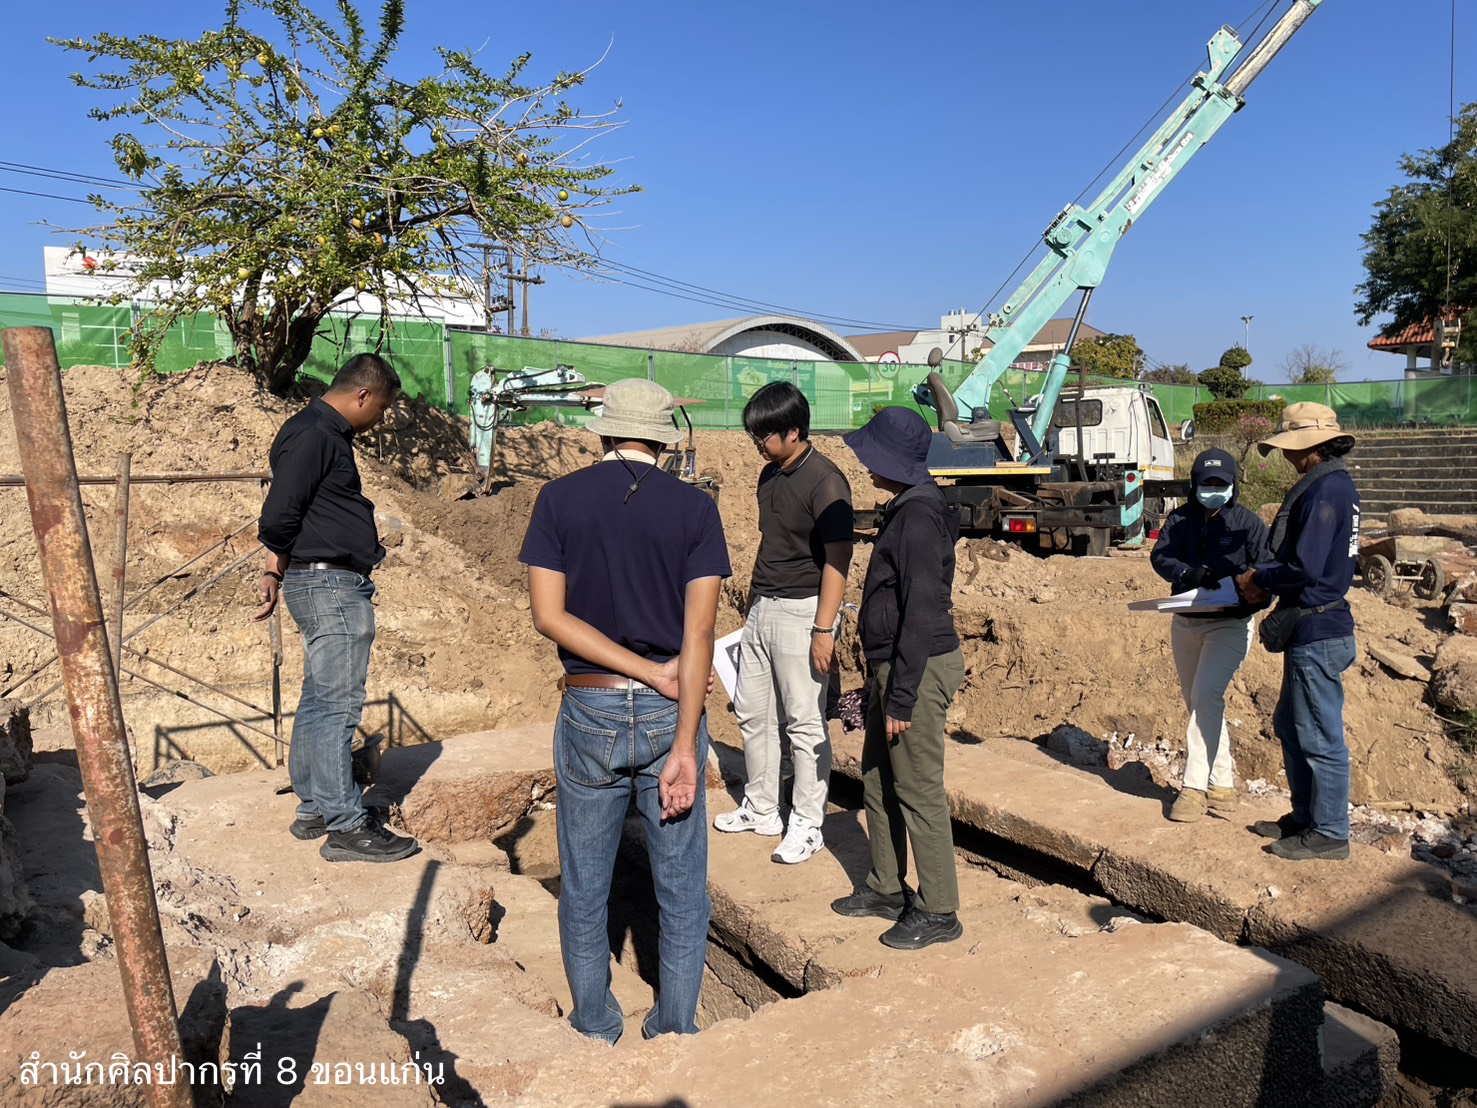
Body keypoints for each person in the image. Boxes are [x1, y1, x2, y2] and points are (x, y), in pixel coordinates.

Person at [519, 378, 729, 1043]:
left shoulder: (558, 500)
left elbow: (548, 616)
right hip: (672, 709)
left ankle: (594, 1021)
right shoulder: (696, 511)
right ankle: (674, 1025)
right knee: (681, 884)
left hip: (590, 706)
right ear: (665, 441)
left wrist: (630, 670)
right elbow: (698, 637)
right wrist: (686, 743)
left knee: (585, 881)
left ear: (605, 431)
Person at [254, 353, 420, 864]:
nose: (382, 418)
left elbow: (299, 509)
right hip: (330, 587)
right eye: (383, 408)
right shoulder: (316, 434)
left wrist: (276, 571)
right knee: (336, 707)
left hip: (318, 582)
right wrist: (279, 561)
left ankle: (315, 808)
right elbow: (280, 514)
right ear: (363, 395)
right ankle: (347, 826)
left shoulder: (314, 432)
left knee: (318, 700)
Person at [831, 407, 965, 950]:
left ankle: (939, 910)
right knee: (878, 779)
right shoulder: (906, 507)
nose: (863, 464)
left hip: (919, 667)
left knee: (916, 787)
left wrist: (902, 698)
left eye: (870, 454)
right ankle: (886, 886)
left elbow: (923, 611)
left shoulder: (917, 517)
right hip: (896, 665)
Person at [714, 382, 853, 866]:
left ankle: (808, 823)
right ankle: (763, 808)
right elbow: (770, 543)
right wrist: (752, 608)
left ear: (794, 431)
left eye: (766, 435)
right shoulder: (769, 476)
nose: (758, 444)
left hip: (803, 612)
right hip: (763, 607)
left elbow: (839, 559)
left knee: (804, 721)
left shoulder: (826, 481)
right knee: (754, 712)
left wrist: (823, 628)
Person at [1235, 403, 1360, 862]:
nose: (1286, 456)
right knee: (1291, 724)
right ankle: (1306, 816)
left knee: (1320, 734)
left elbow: (1304, 567)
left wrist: (1258, 580)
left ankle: (1329, 831)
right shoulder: (1336, 484)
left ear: (1309, 447)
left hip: (1317, 629)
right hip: (1318, 627)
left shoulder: (1324, 490)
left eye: (1290, 448)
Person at [1150, 447, 1270, 823]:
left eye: (1221, 484)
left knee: (1206, 694)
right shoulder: (1179, 520)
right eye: (1207, 483)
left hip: (1230, 624)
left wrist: (1244, 585)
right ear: (1195, 485)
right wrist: (1187, 574)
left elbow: (1266, 569)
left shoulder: (1248, 524)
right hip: (1186, 620)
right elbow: (1160, 557)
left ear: (1233, 486)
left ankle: (1194, 788)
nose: (1213, 489)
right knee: (1200, 703)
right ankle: (1222, 783)